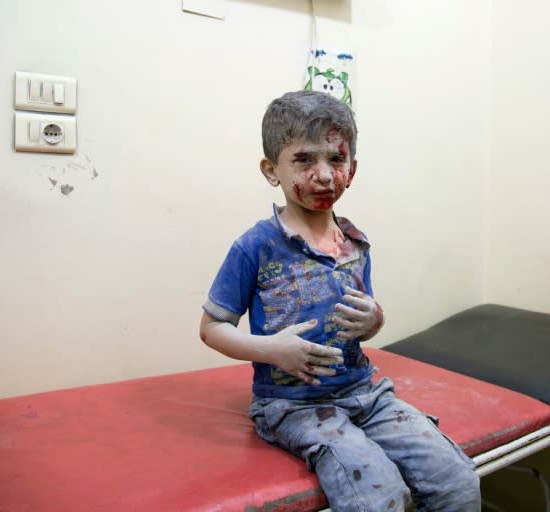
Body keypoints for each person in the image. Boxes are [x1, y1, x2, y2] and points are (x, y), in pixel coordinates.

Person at [199, 90, 481, 511]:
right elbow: (211, 328)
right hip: (293, 405)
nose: (325, 175)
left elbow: (363, 317)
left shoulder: (354, 243)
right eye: (304, 160)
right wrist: (271, 350)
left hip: (365, 392)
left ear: (352, 170)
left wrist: (375, 320)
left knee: (457, 481)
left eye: (336, 159)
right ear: (270, 169)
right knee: (381, 497)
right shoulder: (256, 247)